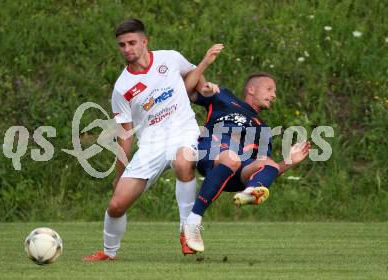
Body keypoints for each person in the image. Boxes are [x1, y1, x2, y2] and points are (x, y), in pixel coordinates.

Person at [83, 19, 223, 261]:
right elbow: (125, 137)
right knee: (116, 205)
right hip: (151, 144)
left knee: (183, 161)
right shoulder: (122, 88)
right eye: (122, 45)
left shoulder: (170, 58)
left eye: (132, 43)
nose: (127, 49)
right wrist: (119, 175)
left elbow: (190, 74)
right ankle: (108, 252)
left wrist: (205, 89)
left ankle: (187, 231)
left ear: (144, 42)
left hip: (184, 131)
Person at [183, 72, 311, 252]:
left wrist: (289, 161)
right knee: (232, 158)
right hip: (212, 153)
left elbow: (266, 170)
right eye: (269, 89)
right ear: (251, 89)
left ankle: (251, 191)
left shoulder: (263, 129)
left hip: (237, 173)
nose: (273, 95)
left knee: (269, 163)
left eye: (274, 91)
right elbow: (186, 92)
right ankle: (193, 221)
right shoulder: (224, 97)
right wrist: (205, 76)